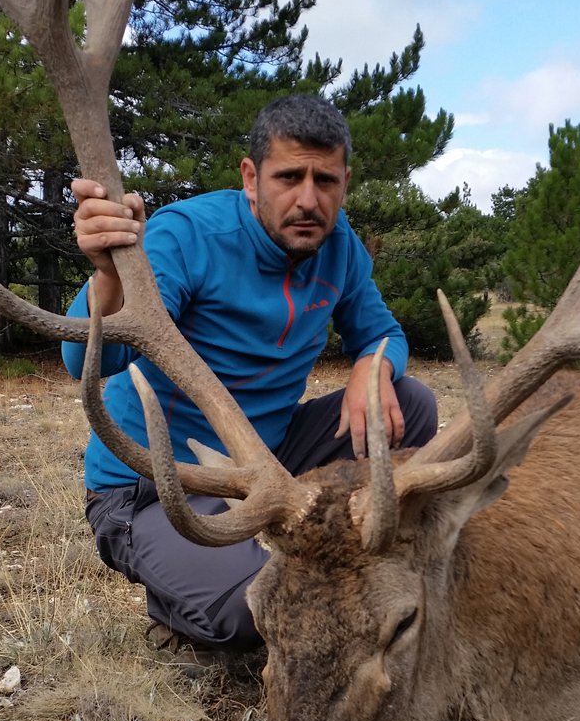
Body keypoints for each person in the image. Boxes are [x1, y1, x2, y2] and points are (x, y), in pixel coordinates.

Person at [61, 93, 438, 668]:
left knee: (409, 404)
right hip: (153, 484)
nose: (309, 199)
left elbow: (381, 331)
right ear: (251, 176)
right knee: (256, 610)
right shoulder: (187, 235)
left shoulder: (340, 248)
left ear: (346, 181)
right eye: (289, 177)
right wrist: (110, 276)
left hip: (268, 458)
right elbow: (88, 359)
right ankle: (175, 601)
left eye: (326, 180)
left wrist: (374, 363)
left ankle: (346, 542)